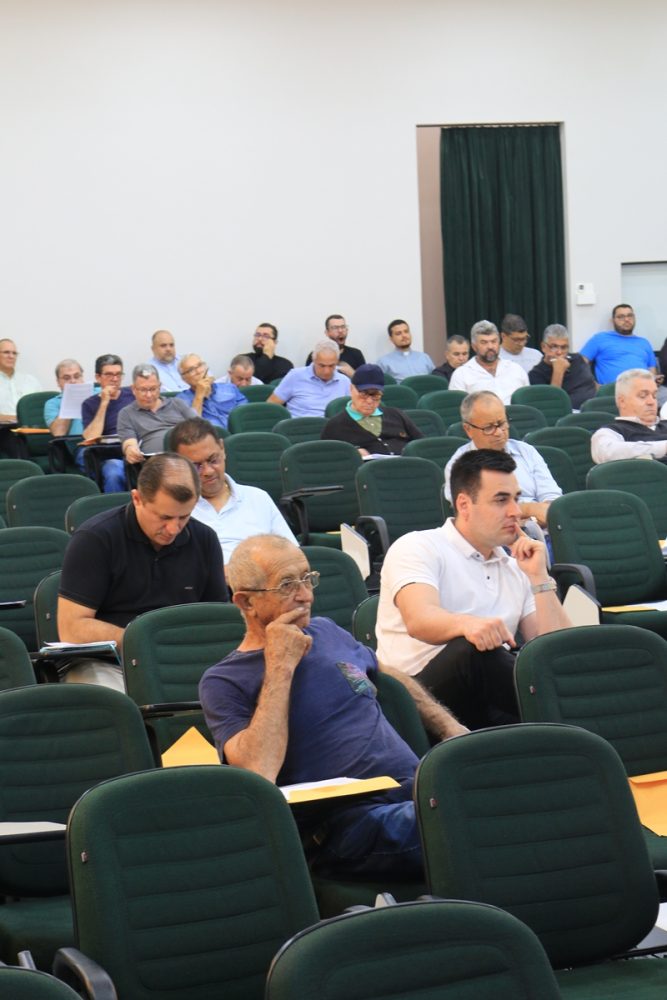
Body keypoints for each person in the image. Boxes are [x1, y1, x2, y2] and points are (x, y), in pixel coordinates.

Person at [199, 535, 466, 878]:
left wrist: (451, 728)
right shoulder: (223, 680)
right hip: (345, 824)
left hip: (416, 792)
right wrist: (280, 664)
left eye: (307, 579)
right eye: (287, 585)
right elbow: (258, 770)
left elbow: (389, 675)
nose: (306, 596)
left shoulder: (326, 631)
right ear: (247, 602)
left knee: (511, 793)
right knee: (466, 816)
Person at [376, 449, 570, 730]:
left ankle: (567, 720)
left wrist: (539, 578)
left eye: (516, 499)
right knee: (474, 650)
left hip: (487, 696)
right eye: (501, 500)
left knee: (553, 670)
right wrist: (468, 624)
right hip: (417, 700)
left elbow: (554, 649)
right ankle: (573, 716)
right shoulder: (418, 546)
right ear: (464, 504)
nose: (516, 512)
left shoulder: (516, 565)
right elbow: (419, 620)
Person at [58, 453, 226, 689]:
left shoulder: (204, 539)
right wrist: (145, 641)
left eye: (184, 517)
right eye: (164, 517)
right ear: (137, 499)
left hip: (184, 659)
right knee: (110, 701)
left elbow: (217, 620)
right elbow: (71, 628)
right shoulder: (96, 539)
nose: (173, 529)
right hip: (109, 661)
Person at [171, 417, 297, 564]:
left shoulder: (257, 498)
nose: (208, 471)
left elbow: (293, 556)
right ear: (179, 464)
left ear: (222, 449)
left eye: (213, 460)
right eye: (196, 466)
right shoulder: (174, 509)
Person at [443, 391, 561, 527]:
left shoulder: (526, 451)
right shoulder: (459, 466)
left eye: (502, 423)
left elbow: (553, 501)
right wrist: (529, 509)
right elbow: (478, 515)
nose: (499, 432)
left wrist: (533, 519)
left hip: (544, 531)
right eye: (489, 428)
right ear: (468, 429)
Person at [321, 363, 423, 456]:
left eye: (375, 395)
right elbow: (330, 460)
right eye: (363, 394)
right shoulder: (335, 426)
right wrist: (352, 453)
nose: (369, 401)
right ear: (351, 389)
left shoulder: (396, 415)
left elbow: (421, 445)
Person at [117, 364, 196, 464]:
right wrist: (130, 450)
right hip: (154, 464)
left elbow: (201, 428)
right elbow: (129, 442)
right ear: (133, 389)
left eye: (153, 389)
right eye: (143, 390)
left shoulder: (177, 403)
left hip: (187, 457)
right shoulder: (126, 413)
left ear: (159, 386)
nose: (149, 395)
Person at [81, 354, 134, 493]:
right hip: (111, 455)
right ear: (98, 377)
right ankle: (115, 506)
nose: (115, 379)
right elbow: (90, 437)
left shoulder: (133, 394)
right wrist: (104, 402)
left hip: (137, 448)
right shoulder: (89, 404)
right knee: (114, 472)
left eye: (118, 374)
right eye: (109, 374)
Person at [591, 368, 667, 464]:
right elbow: (606, 453)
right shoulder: (610, 432)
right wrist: (663, 447)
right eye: (643, 396)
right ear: (622, 401)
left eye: (654, 396)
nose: (651, 402)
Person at [448, 321, 528, 403]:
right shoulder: (461, 374)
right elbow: (457, 407)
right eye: (484, 342)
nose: (490, 347)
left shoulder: (516, 369)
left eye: (494, 341)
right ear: (474, 346)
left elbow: (528, 402)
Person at [268, 340, 351, 417]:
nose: (327, 371)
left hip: (331, 426)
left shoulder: (344, 382)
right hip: (299, 426)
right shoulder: (295, 376)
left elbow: (353, 411)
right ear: (314, 360)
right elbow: (271, 406)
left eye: (331, 366)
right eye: (322, 366)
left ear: (337, 362)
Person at [581, 305, 658, 385]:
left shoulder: (644, 342)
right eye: (621, 317)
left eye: (630, 316)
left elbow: (652, 370)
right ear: (613, 320)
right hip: (614, 390)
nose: (627, 319)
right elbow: (579, 364)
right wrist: (594, 385)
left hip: (643, 388)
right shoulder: (600, 338)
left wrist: (654, 380)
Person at [528, 324, 597, 408]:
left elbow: (592, 384)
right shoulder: (536, 374)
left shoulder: (577, 359)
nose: (559, 352)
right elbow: (551, 404)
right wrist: (558, 372)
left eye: (564, 347)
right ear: (543, 347)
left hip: (594, 407)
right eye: (554, 347)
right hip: (569, 413)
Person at [176, 354, 247, 429]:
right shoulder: (181, 401)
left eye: (200, 365)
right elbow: (193, 427)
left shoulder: (229, 388)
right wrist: (199, 396)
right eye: (191, 370)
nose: (198, 371)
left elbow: (245, 414)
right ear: (184, 379)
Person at [44, 359, 87, 471]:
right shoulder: (52, 403)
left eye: (77, 376)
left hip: (105, 443)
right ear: (58, 382)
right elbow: (58, 433)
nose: (73, 381)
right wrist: (71, 399)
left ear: (82, 378)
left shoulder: (97, 393)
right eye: (67, 378)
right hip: (79, 449)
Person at [0, 338, 41, 421]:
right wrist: (19, 418)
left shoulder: (30, 381)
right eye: (6, 352)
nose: (11, 356)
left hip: (30, 427)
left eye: (14, 353)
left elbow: (40, 408)